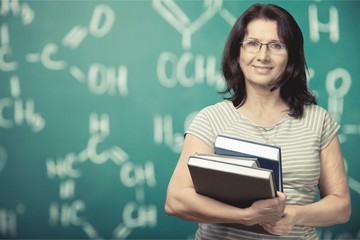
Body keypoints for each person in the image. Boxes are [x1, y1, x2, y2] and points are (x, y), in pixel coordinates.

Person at [164, 3, 351, 240]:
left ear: (292, 55)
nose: (263, 56)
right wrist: (245, 215)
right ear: (237, 52)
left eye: (276, 45)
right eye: (252, 44)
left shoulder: (319, 120)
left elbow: (341, 206)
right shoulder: (211, 119)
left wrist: (293, 215)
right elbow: (175, 200)